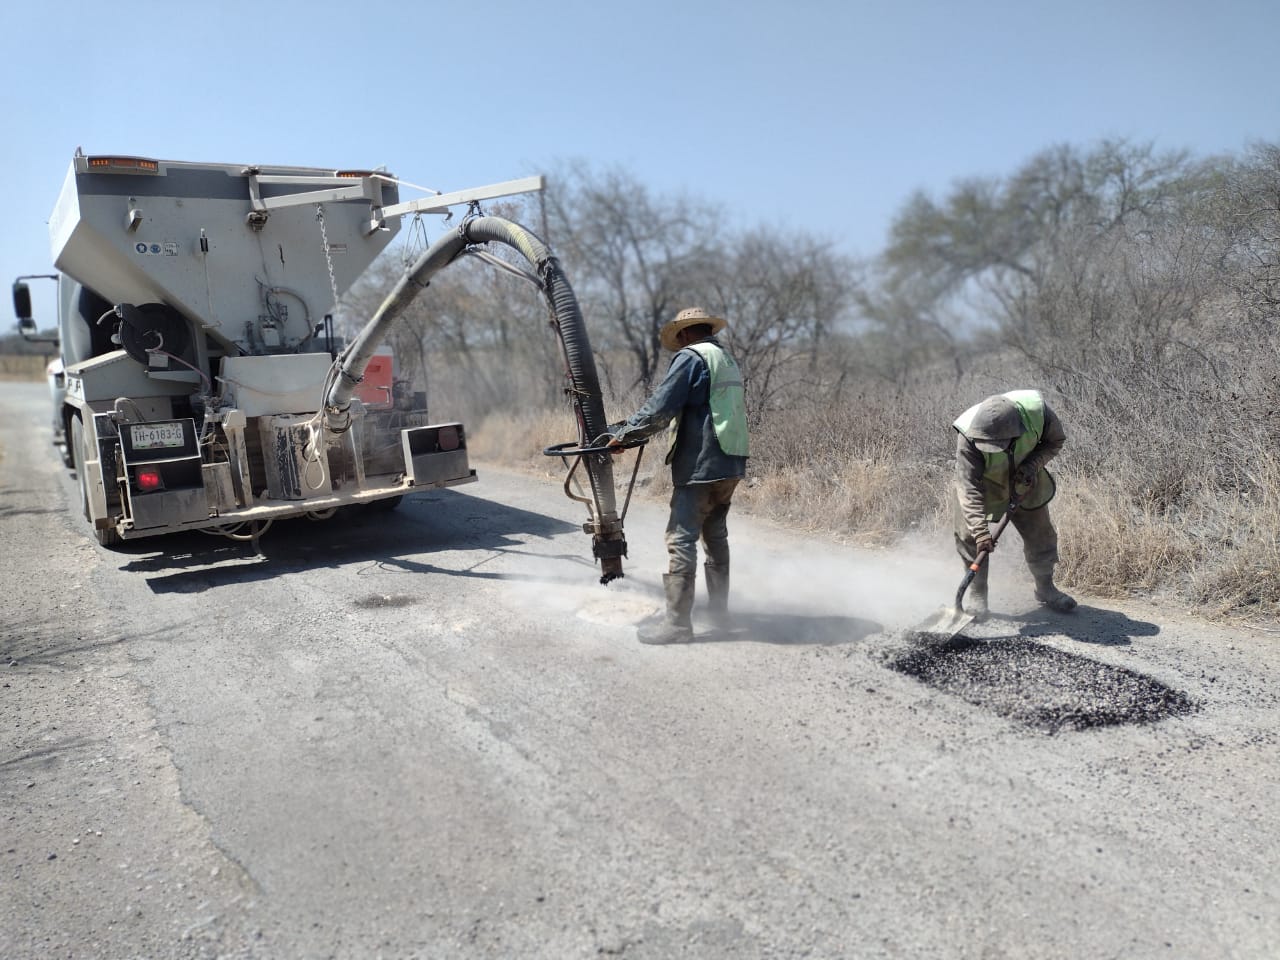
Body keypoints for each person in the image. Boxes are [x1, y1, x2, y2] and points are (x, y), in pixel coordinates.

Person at [607, 307, 749, 644]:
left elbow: (661, 406)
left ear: (685, 334)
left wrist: (625, 436)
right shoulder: (724, 358)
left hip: (701, 464)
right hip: (730, 462)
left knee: (681, 538)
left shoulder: (691, 357)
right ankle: (720, 616)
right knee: (715, 537)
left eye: (679, 339)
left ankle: (677, 625)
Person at [952, 389, 1076, 616]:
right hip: (985, 484)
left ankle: (1045, 588)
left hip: (1025, 481)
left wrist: (1032, 465)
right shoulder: (968, 435)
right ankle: (978, 593)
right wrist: (981, 532)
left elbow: (1054, 442)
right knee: (969, 535)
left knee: (1041, 533)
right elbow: (968, 487)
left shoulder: (1039, 414)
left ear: (1017, 431)